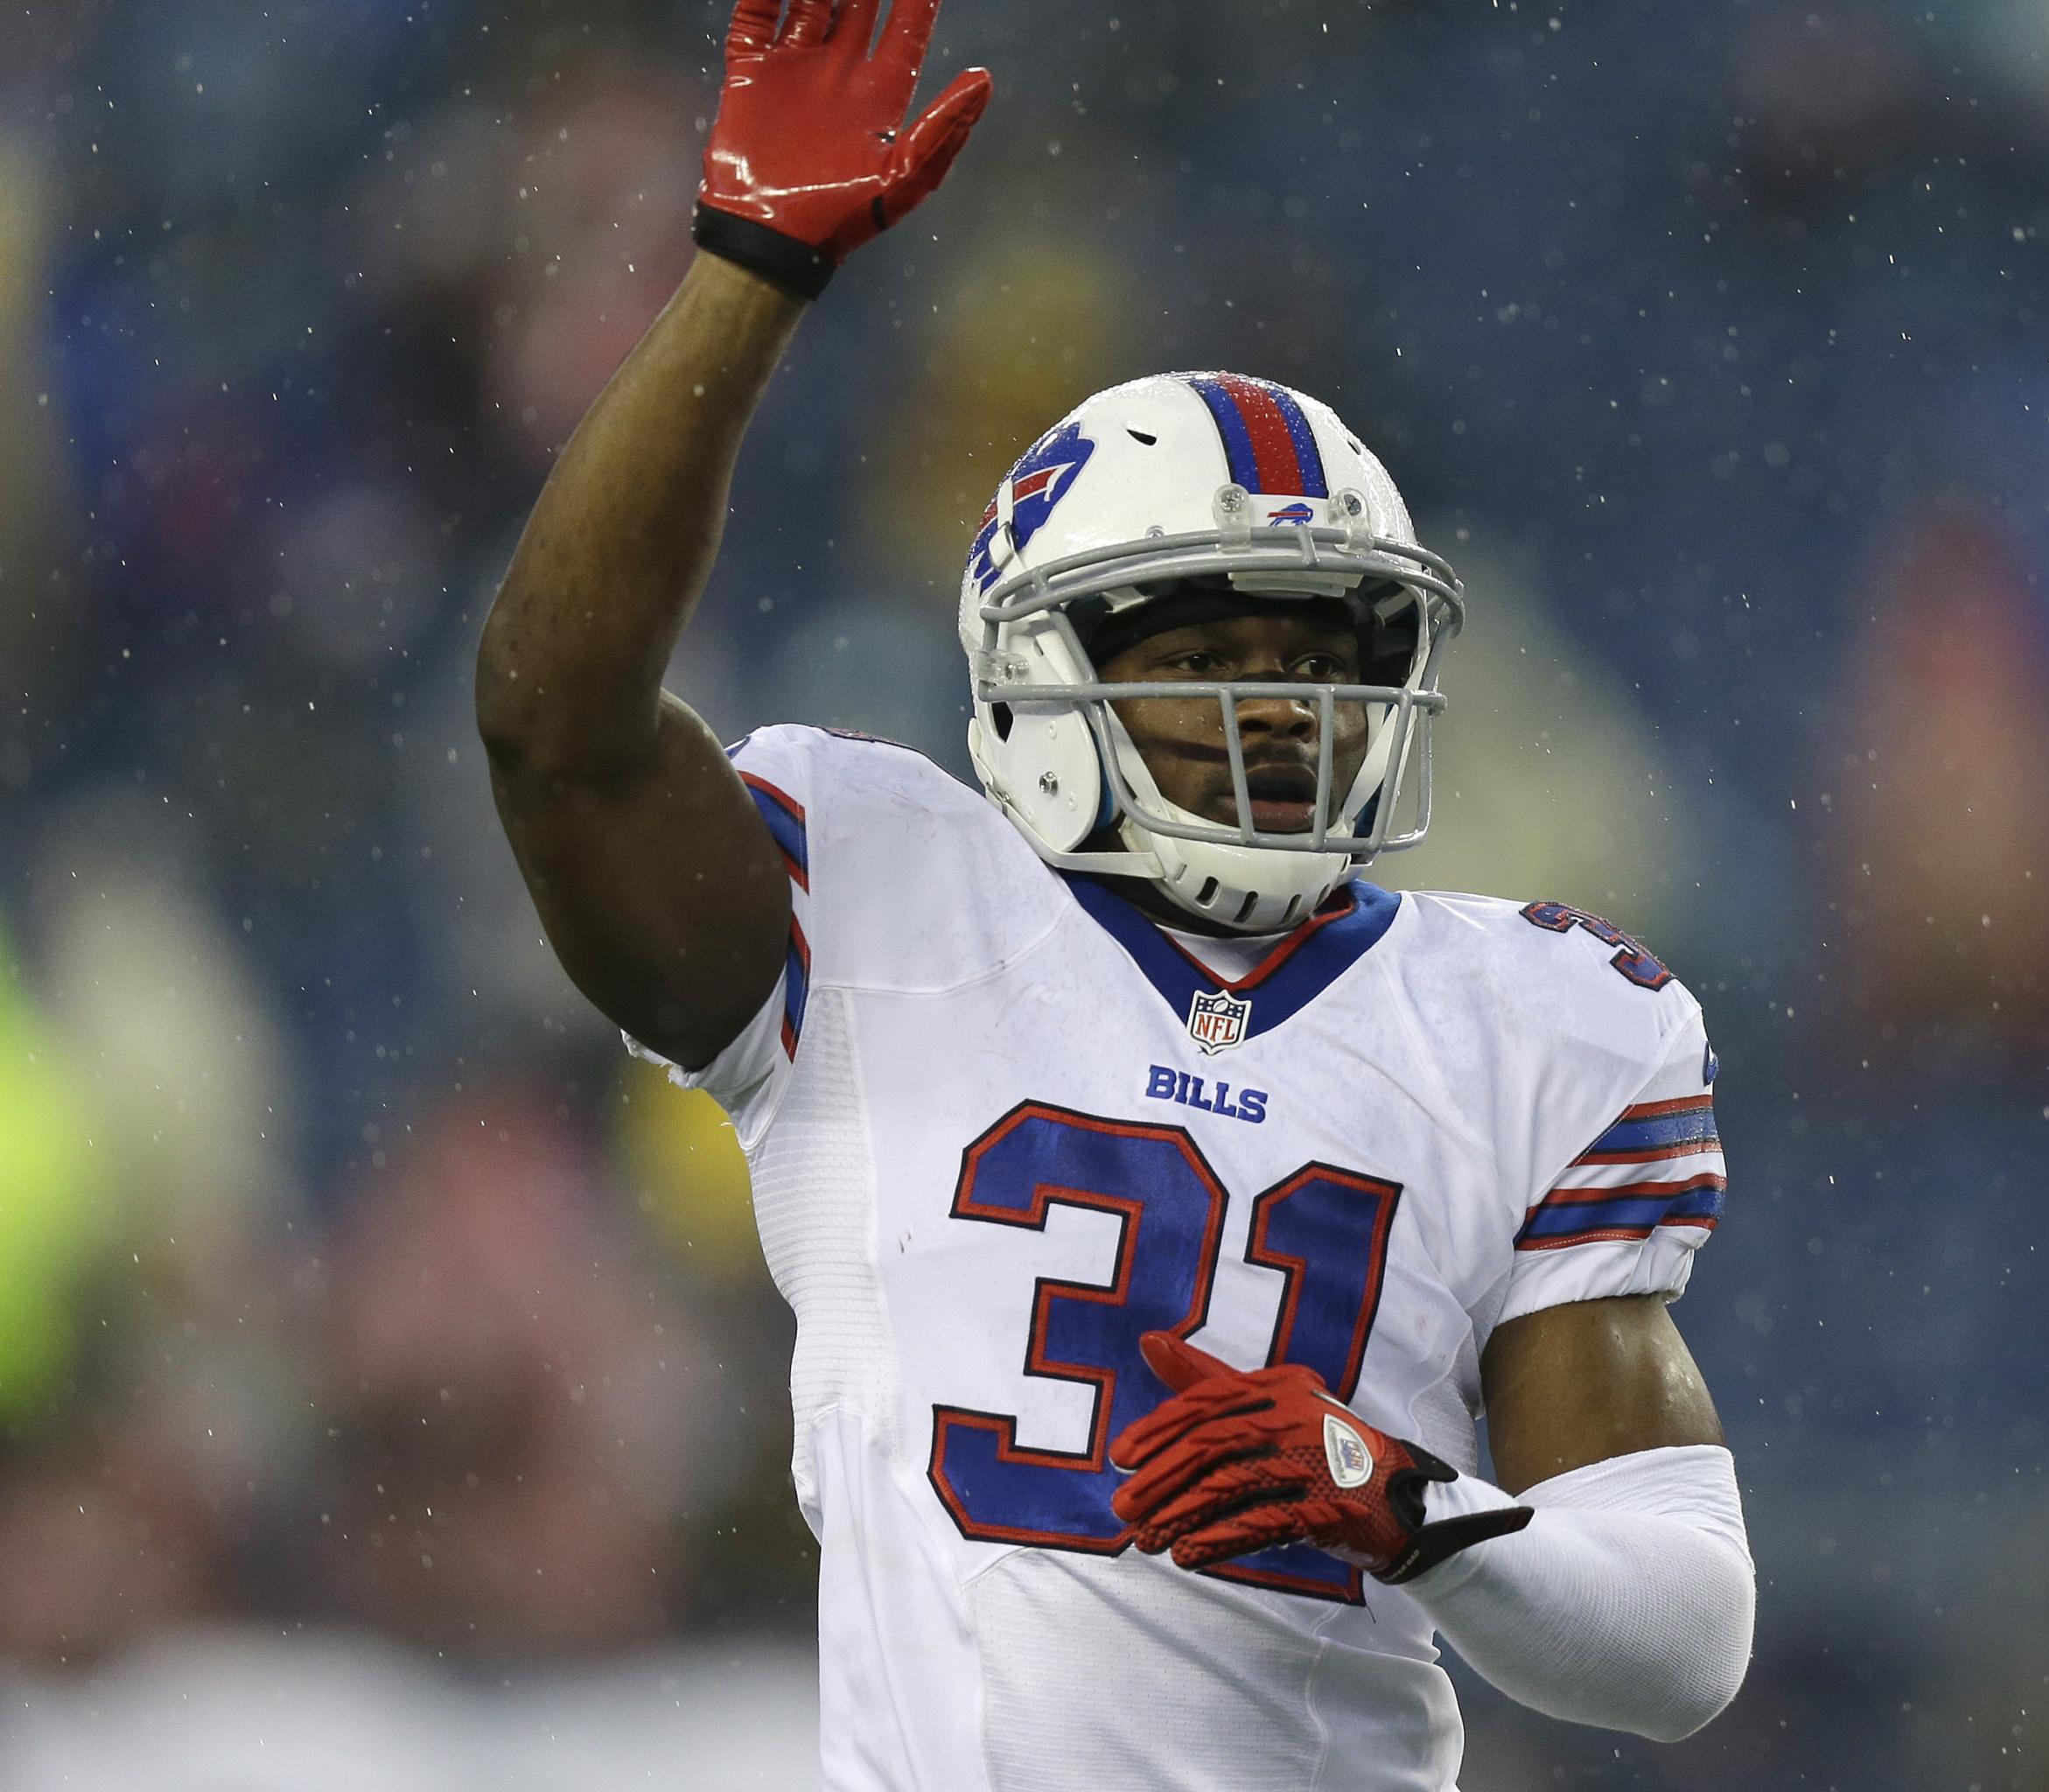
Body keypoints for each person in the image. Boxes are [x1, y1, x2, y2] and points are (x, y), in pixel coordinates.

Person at [472, 2, 1756, 1785]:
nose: (1281, 704)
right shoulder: (876, 895)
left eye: (1325, 651)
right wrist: (749, 273)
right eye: (1207, 647)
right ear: (1036, 685)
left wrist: (1408, 1502)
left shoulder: (1531, 1020)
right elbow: (555, 726)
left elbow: (1683, 1631)